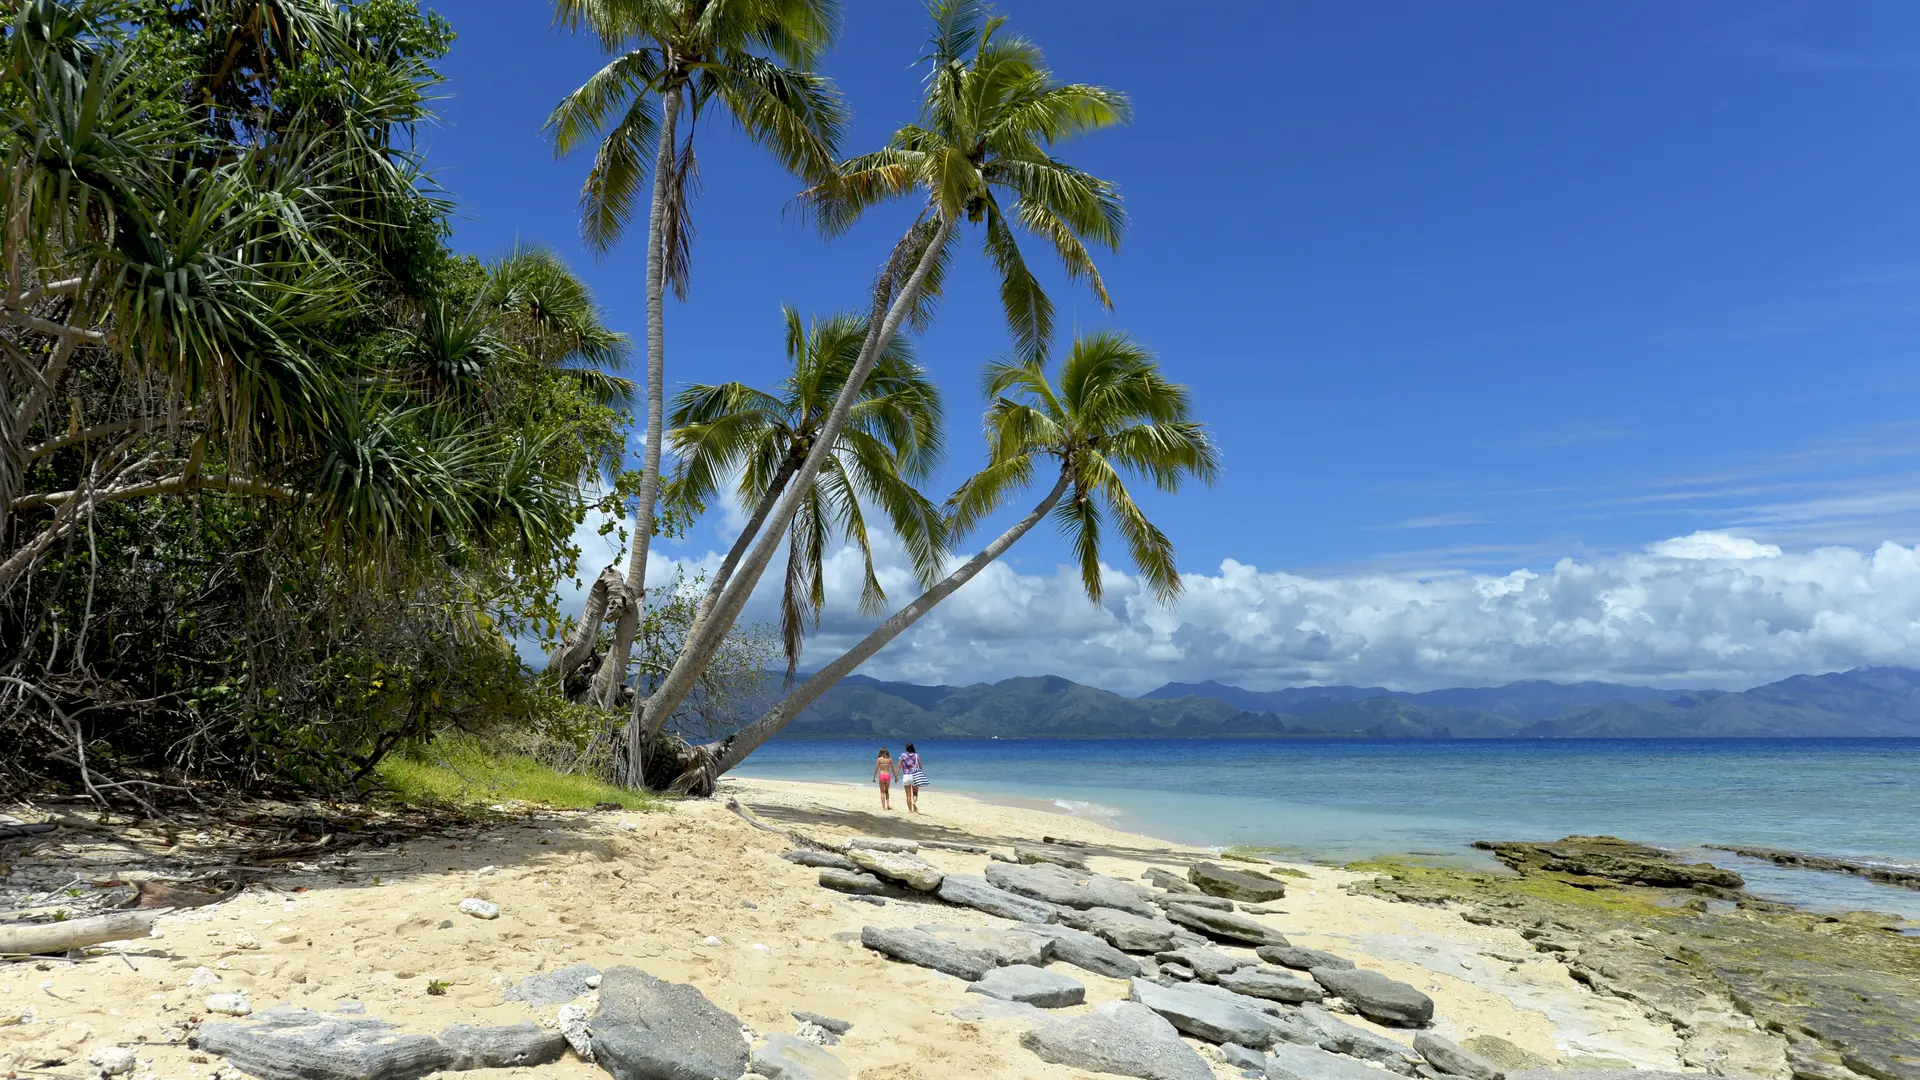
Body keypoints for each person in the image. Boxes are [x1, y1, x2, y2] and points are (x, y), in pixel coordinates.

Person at [897, 742, 927, 813]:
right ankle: (914, 802)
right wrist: (921, 773)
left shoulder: (902, 755)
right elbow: (920, 766)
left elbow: (899, 766)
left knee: (908, 795)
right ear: (913, 748)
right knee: (915, 793)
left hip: (906, 776)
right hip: (915, 776)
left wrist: (896, 775)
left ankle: (910, 810)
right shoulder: (916, 755)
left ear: (906, 748)